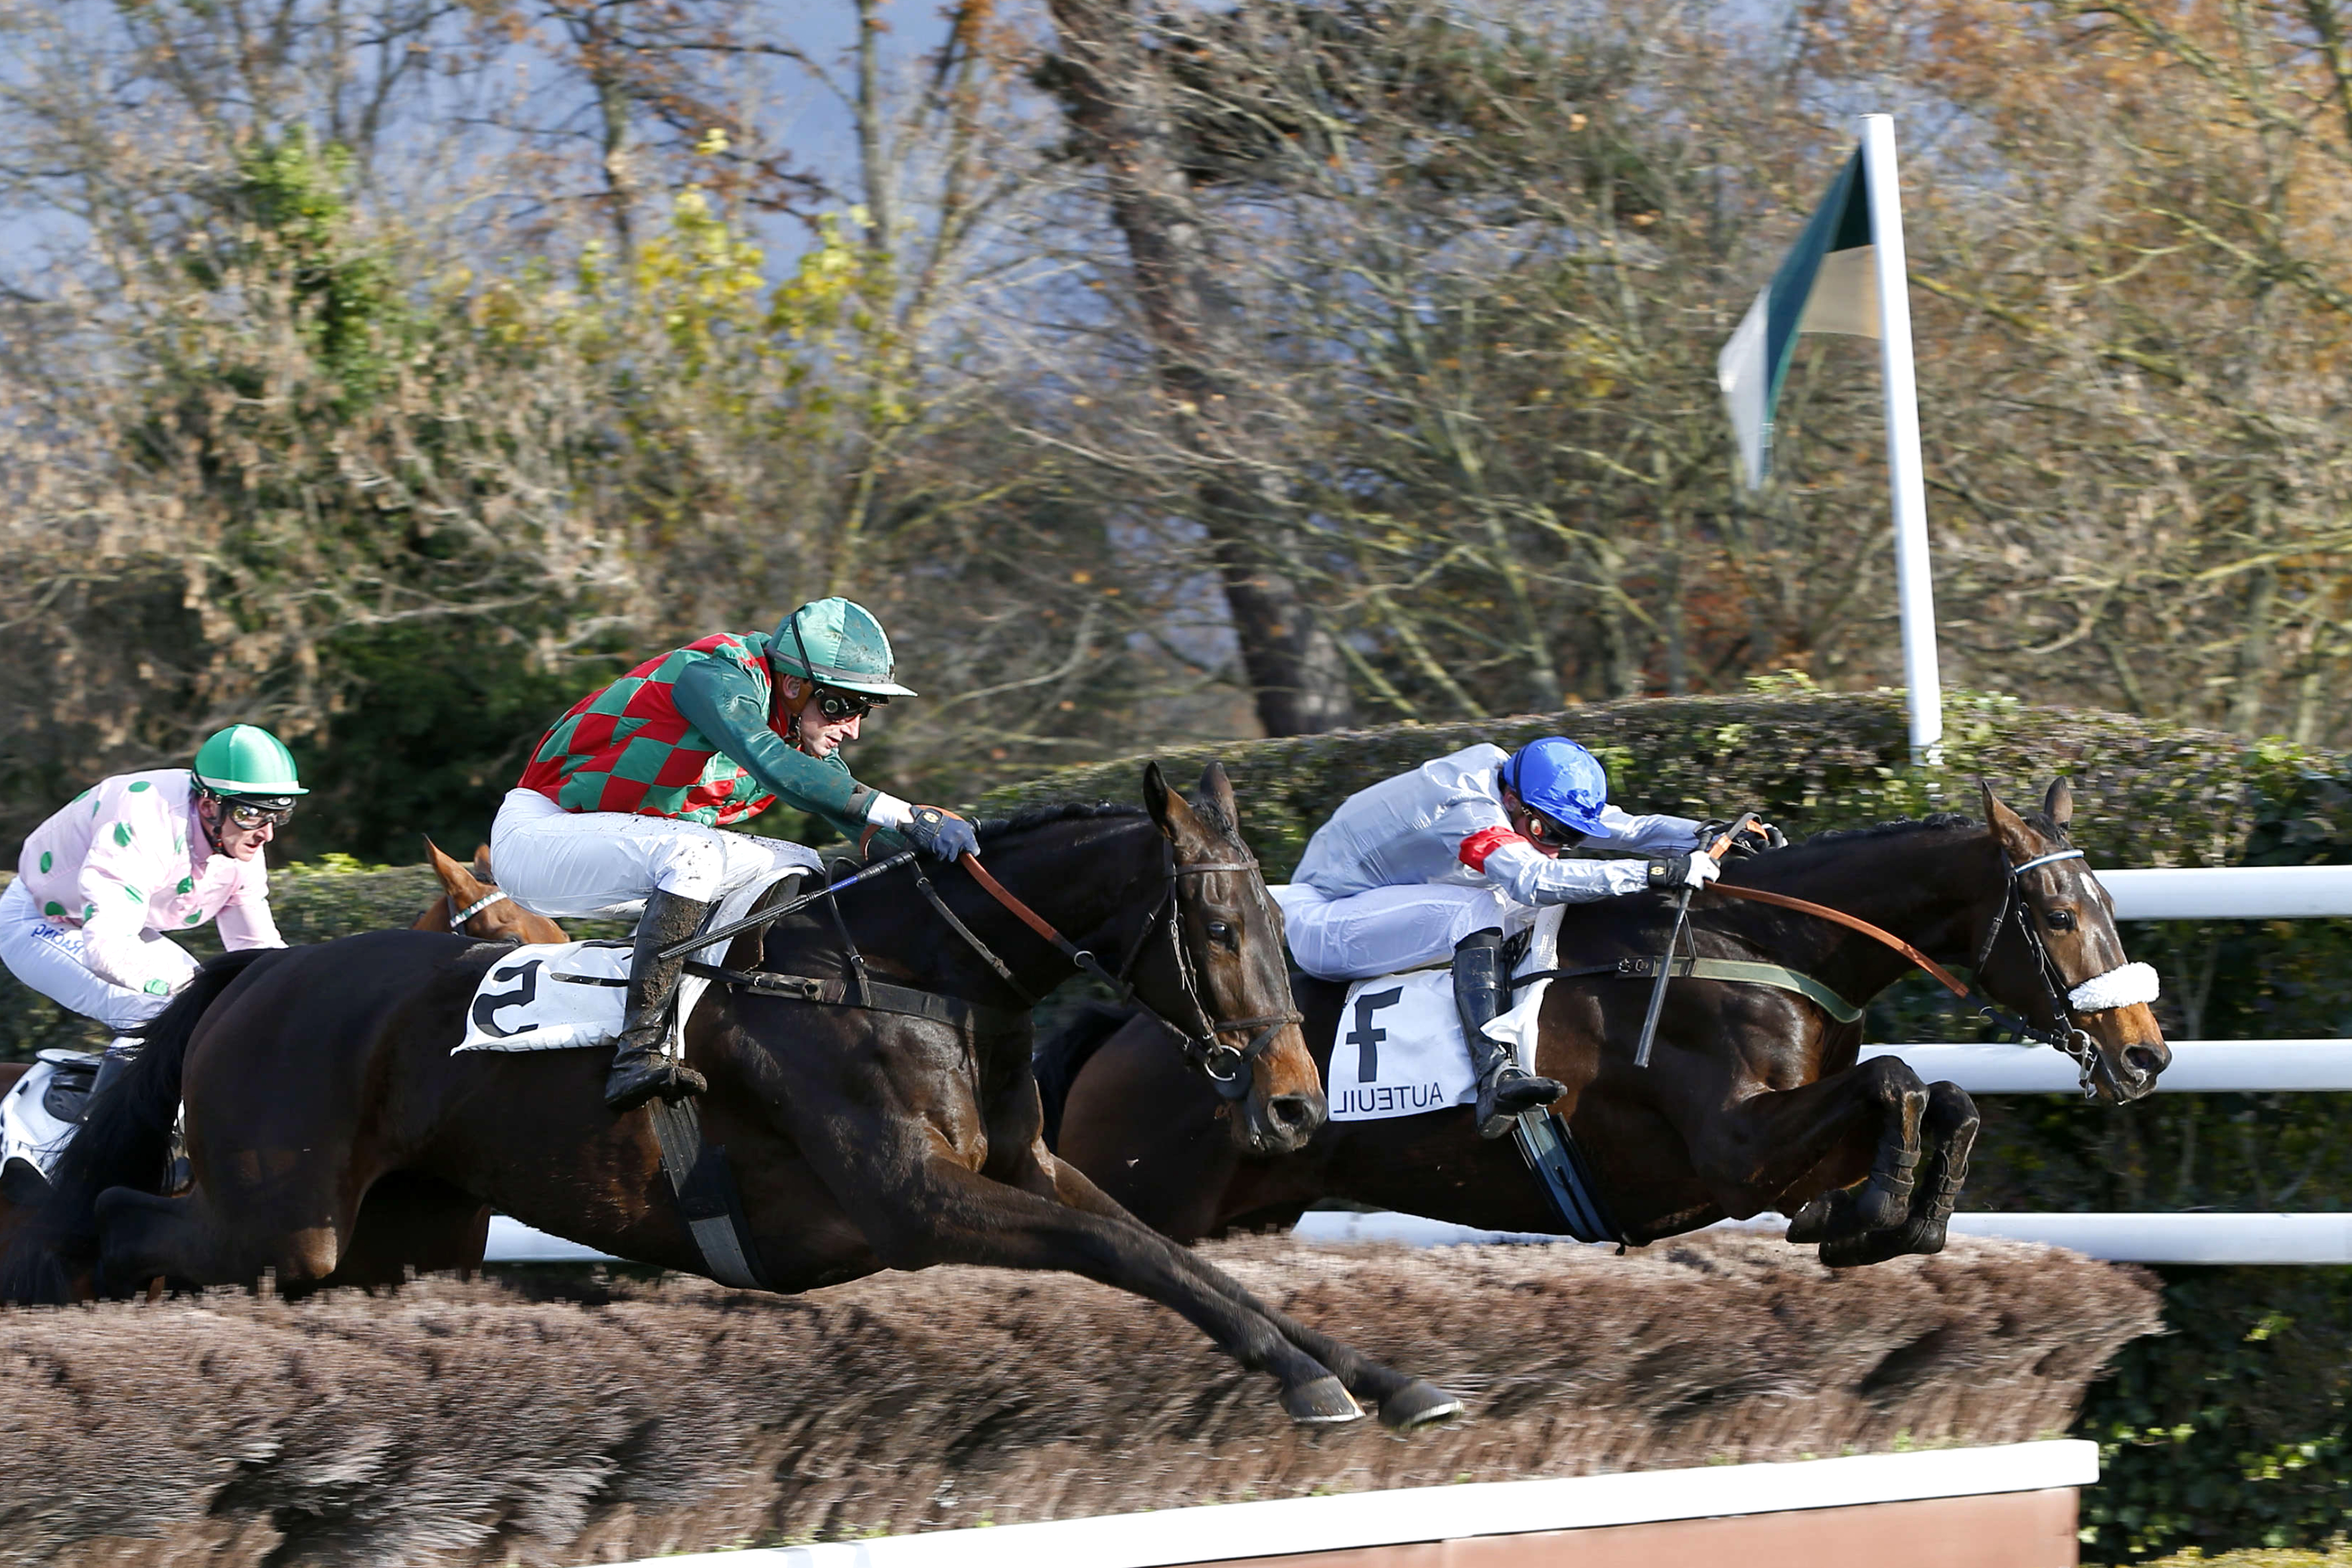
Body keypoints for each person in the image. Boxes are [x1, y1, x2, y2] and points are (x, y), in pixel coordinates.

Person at [491, 597, 979, 1113]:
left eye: (864, 710)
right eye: (846, 706)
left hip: (618, 847)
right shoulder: (714, 676)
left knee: (798, 863)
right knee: (695, 853)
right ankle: (637, 1051)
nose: (853, 727)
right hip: (541, 835)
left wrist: (949, 862)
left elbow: (857, 820)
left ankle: (715, 1026)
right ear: (794, 685)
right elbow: (768, 763)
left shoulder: (796, 727)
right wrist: (907, 813)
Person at [1281, 737, 1774, 1138]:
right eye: (1543, 830)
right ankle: (1492, 1073)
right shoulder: (1469, 807)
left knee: (1540, 900)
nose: (1553, 844)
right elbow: (1532, 879)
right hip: (1324, 922)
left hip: (1372, 903)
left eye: (1566, 836)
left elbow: (1626, 828)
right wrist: (1655, 873)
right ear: (1512, 800)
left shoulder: (1524, 785)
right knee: (1489, 903)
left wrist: (1706, 834)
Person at [1, 724, 300, 1101]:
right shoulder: (144, 823)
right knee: (165, 1009)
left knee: (221, 1011)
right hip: (38, 921)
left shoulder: (238, 845)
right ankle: (103, 1148)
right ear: (209, 805)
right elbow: (107, 952)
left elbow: (258, 953)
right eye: (250, 814)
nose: (266, 834)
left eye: (278, 815)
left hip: (113, 926)